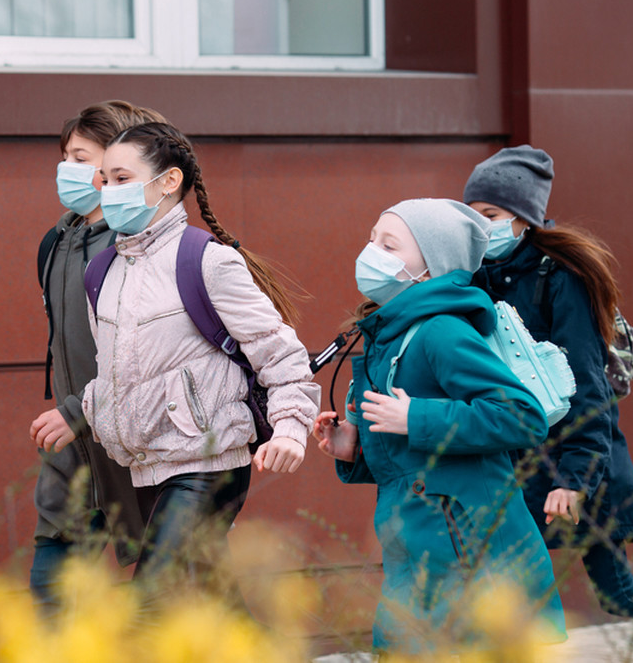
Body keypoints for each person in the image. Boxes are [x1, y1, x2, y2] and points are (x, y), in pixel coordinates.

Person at [39, 122, 320, 594]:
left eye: (122, 179)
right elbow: (116, 371)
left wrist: (291, 429)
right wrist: (86, 412)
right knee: (210, 603)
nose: (108, 191)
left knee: (152, 602)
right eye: (104, 180)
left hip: (208, 464)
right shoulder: (100, 271)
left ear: (168, 182)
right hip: (144, 466)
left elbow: (283, 357)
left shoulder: (206, 260)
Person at [465, 146, 633, 650]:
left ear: (522, 217)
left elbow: (586, 384)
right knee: (497, 584)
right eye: (470, 215)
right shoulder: (477, 277)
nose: (478, 226)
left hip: (577, 457)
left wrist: (574, 478)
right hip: (514, 456)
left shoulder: (559, 277)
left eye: (488, 215)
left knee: (619, 592)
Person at [314, 198, 566, 655]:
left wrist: (417, 417)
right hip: (416, 546)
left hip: (473, 555)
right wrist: (356, 448)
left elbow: (521, 415)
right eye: (372, 239)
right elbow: (411, 460)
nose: (371, 252)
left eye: (390, 245)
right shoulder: (385, 333)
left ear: (428, 270)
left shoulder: (441, 332)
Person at [28, 100, 168, 614]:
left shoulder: (137, 244)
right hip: (72, 442)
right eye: (65, 155)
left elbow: (143, 354)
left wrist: (76, 411)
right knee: (54, 581)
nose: (67, 168)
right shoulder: (56, 241)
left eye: (80, 156)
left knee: (168, 587)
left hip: (134, 437)